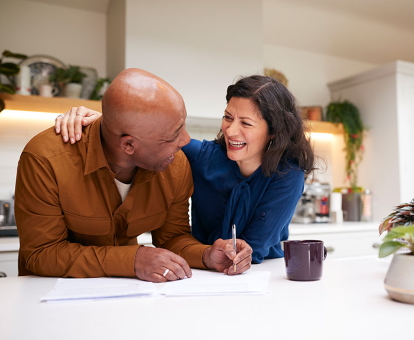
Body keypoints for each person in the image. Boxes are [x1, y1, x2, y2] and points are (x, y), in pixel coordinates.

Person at [15, 68, 252, 283]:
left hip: (128, 297)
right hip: (48, 298)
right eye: (173, 135)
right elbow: (41, 253)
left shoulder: (175, 164)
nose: (185, 141)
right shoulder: (45, 159)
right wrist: (133, 260)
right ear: (128, 145)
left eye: (183, 126)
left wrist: (207, 255)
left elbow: (172, 238)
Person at [56, 75, 315, 263]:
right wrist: (100, 121)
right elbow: (148, 136)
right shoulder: (203, 157)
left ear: (274, 133)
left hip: (259, 272)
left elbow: (254, 247)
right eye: (228, 117)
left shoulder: (288, 174)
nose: (230, 131)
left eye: (245, 123)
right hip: (203, 265)